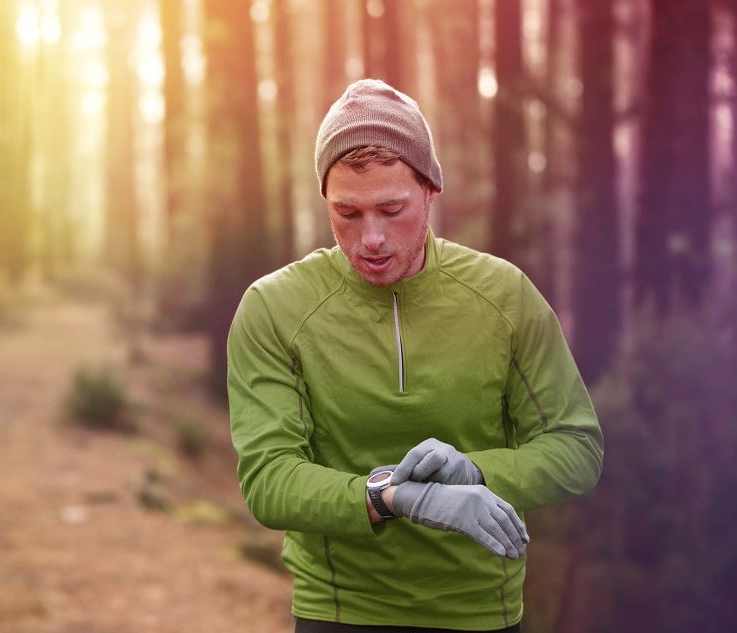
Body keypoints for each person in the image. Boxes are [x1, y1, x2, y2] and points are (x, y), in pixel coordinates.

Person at [226, 79, 604, 632]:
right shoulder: (275, 307)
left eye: (391, 209)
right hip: (339, 612)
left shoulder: (504, 296)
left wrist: (477, 470)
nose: (371, 238)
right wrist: (394, 498)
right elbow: (269, 479)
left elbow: (577, 449)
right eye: (347, 214)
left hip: (480, 613)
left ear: (431, 191)